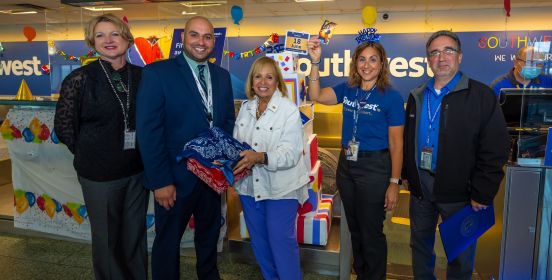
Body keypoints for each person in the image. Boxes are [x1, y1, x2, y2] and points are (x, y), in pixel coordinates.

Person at [402, 30, 509, 279]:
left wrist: (483, 191)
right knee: (420, 249)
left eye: (448, 50)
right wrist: (408, 174)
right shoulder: (417, 95)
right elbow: (409, 138)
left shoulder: (480, 95)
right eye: (434, 52)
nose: (442, 57)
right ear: (428, 59)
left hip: (462, 193)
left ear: (459, 57)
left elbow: (495, 148)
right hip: (422, 191)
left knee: (460, 256)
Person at [136, 16, 235, 280]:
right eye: (194, 35)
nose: (201, 42)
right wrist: (160, 182)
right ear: (183, 38)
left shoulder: (222, 77)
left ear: (214, 41)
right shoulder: (158, 73)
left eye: (207, 37)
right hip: (174, 180)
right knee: (168, 242)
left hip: (211, 179)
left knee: (209, 237)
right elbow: (149, 133)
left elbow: (226, 123)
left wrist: (223, 165)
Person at [54, 14, 149, 280]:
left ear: (127, 39)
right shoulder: (80, 79)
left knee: (134, 238)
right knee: (108, 242)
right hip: (99, 176)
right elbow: (64, 127)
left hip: (136, 172)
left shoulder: (143, 76)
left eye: (115, 34)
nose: (108, 40)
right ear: (91, 42)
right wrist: (92, 152)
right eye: (100, 35)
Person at [307, 35, 405, 279]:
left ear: (382, 64)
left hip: (375, 167)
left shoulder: (391, 97)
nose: (367, 65)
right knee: (355, 228)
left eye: (373, 60)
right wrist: (315, 63)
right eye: (362, 59)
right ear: (355, 63)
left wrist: (394, 183)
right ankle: (361, 274)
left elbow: (397, 143)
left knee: (371, 231)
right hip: (347, 166)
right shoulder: (348, 88)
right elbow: (316, 95)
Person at [232, 56, 310, 280]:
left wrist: (260, 157)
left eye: (269, 76)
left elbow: (290, 154)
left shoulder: (289, 110)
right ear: (251, 81)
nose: (263, 82)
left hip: (281, 188)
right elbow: (238, 144)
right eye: (258, 76)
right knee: (260, 243)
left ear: (277, 81)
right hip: (249, 187)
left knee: (280, 242)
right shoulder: (246, 108)